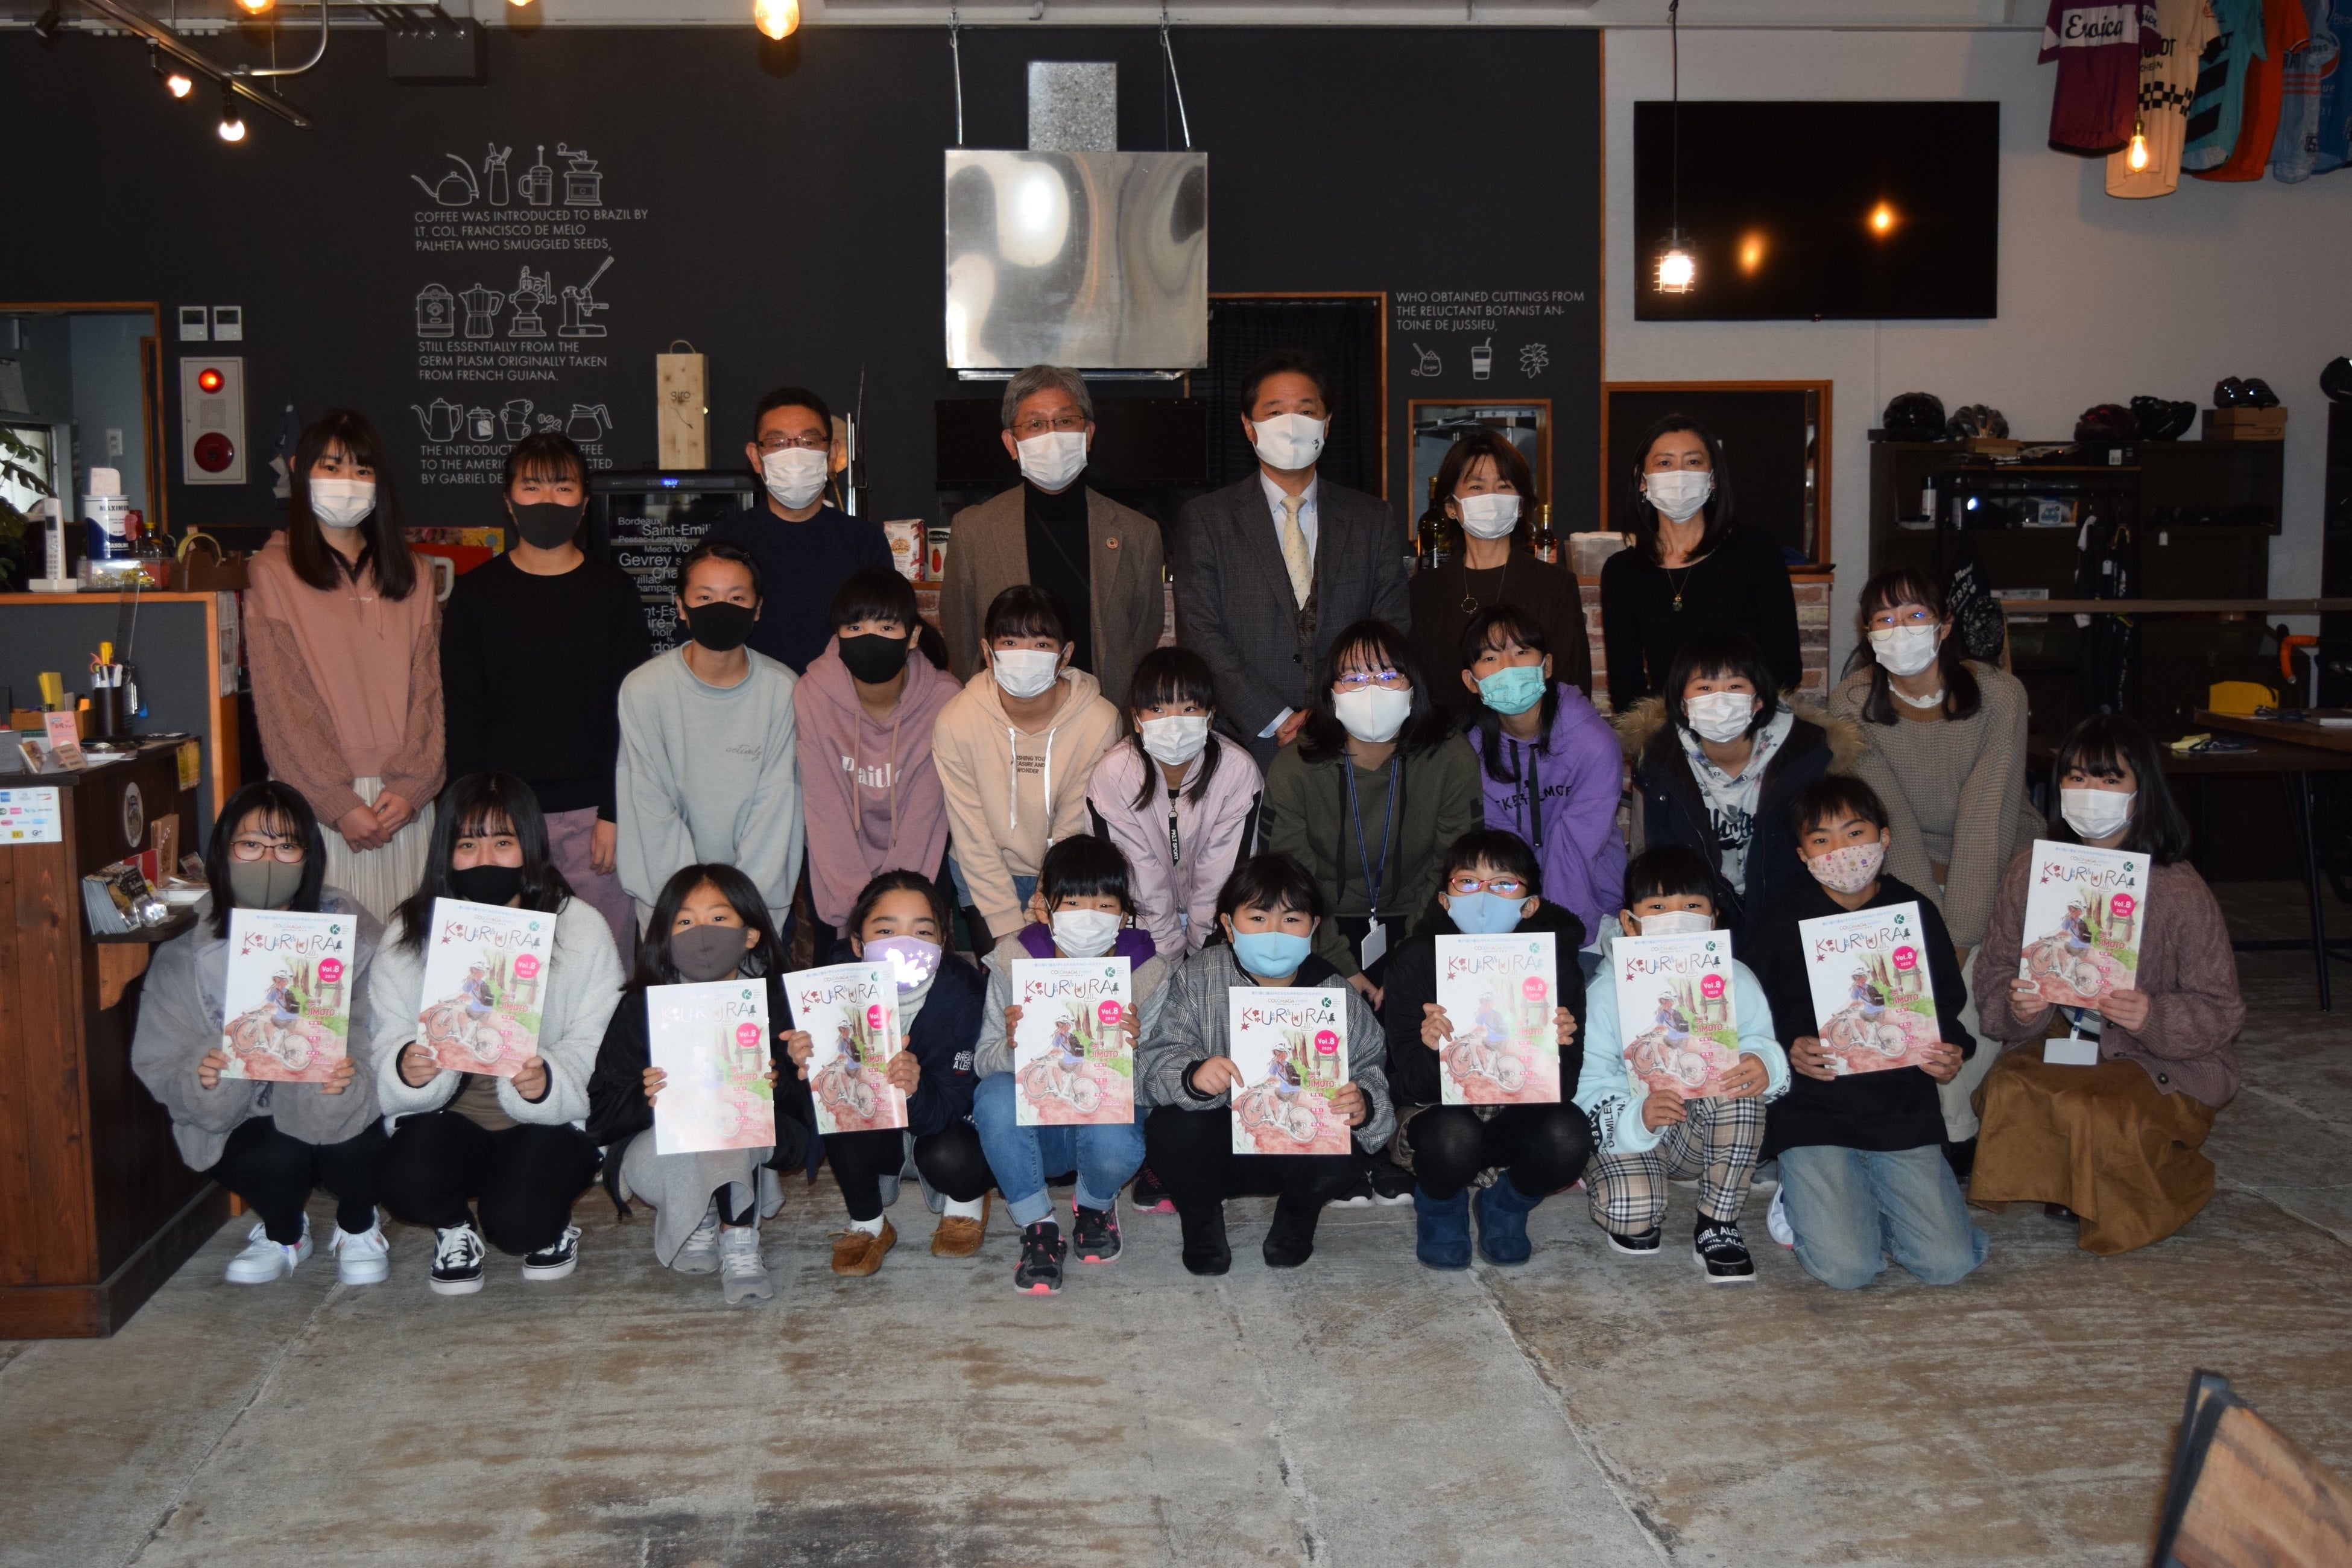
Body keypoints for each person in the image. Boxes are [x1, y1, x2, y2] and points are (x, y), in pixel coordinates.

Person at [1969, 715, 2243, 1255]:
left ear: (2143, 790)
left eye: (2109, 779)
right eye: (2076, 777)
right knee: (2011, 1087)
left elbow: (2222, 1008)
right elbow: (1996, 970)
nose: (2089, 791)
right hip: (2065, 1036)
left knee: (2100, 1110)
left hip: (2153, 1054)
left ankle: (2164, 1183)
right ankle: (2069, 1178)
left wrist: (2154, 1016)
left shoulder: (2180, 889)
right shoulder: (2031, 870)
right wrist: (2018, 1005)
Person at [129, 782, 391, 1286]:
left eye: (286, 846)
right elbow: (160, 1055)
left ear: (309, 856)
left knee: (357, 1139)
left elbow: (380, 1023)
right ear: (223, 851)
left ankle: (359, 1224)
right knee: (272, 1156)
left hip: (336, 1104)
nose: (269, 860)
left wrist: (351, 1071)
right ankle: (283, 1231)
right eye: (250, 844)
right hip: (247, 1115)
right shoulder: (186, 949)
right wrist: (204, 1075)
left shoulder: (351, 930)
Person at [370, 773, 623, 1294]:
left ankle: (549, 1221)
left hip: (547, 1123)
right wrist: (404, 1066)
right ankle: (453, 1227)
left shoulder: (580, 928)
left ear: (529, 847)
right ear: (446, 854)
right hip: (449, 1117)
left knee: (519, 1226)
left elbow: (597, 1040)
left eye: (503, 843)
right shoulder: (409, 931)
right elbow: (386, 1031)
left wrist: (548, 1080)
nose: (485, 858)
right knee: (400, 1181)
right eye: (467, 845)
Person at [1826, 566, 2043, 1157]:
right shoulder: (1851, 702)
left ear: (1945, 626)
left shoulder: (2000, 696)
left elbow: (1988, 818)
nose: (1901, 630)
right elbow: (1889, 822)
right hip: (1903, 867)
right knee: (1901, 972)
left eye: (1916, 615)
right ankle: (1937, 1128)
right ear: (1868, 634)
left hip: (1999, 862)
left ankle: (1950, 1130)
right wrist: (1926, 926)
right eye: (1885, 619)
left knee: (1973, 980)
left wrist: (1958, 937)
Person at [1745, 776, 1988, 1289]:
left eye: (1855, 833)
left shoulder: (1914, 912)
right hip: (1814, 1107)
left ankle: (1861, 1201)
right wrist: (1788, 1045)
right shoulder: (1779, 917)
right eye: (1821, 840)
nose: (1841, 851)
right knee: (1846, 1269)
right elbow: (1751, 1008)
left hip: (1900, 1106)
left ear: (1884, 837)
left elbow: (1946, 1003)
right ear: (1803, 854)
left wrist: (1952, 1049)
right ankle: (1802, 1194)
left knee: (1949, 1263)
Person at [440, 431, 650, 961]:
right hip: (502, 819)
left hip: (594, 819)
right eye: (532, 487)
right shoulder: (475, 595)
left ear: (583, 503)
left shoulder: (614, 591)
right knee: (501, 968)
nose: (548, 500)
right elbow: (464, 714)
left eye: (563, 486)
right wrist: (474, 825)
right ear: (509, 502)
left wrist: (615, 811)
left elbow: (631, 716)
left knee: (602, 962)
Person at [1140, 853, 1397, 1274]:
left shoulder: (1334, 992)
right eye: (1258, 918)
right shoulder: (1199, 975)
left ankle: (1297, 1216)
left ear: (1314, 927)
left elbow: (1371, 1065)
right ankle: (1202, 1221)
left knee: (1344, 1145)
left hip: (1298, 1144)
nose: (1275, 933)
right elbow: (1155, 1058)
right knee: (1172, 1130)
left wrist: (1363, 1103)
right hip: (1216, 1140)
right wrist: (1192, 1076)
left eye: (1292, 919)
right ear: (1228, 925)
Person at [242, 408, 444, 922]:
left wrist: (413, 787)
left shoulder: (416, 574)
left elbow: (428, 691)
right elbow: (282, 703)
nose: (347, 481)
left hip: (403, 805)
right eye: (330, 467)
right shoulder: (272, 571)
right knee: (326, 960)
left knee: (408, 949)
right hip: (319, 800)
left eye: (362, 469)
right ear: (299, 470)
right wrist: (336, 801)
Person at [1172, 349, 1412, 768]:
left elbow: (1391, 626)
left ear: (1327, 424)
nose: (1291, 424)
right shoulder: (1207, 519)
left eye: (1306, 411)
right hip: (1247, 742)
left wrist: (1337, 714)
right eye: (1275, 411)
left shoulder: (1371, 519)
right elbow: (1199, 631)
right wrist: (1276, 717)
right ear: (1249, 426)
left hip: (1353, 735)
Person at [584, 864, 801, 1306]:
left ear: (751, 934)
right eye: (684, 921)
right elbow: (600, 1115)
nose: (702, 933)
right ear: (664, 937)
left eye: (719, 918)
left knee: (728, 1116)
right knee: (709, 1119)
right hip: (660, 1152)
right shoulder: (641, 1006)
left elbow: (806, 1121)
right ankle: (700, 1210)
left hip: (749, 1142)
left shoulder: (774, 1000)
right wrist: (644, 1097)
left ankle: (738, 1236)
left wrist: (779, 1083)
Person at [1575, 846, 1788, 1282]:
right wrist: (1638, 1116)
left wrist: (1765, 1063)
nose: (1675, 918)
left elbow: (1759, 1040)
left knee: (1740, 1082)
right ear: (1629, 923)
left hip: (1700, 1133)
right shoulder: (1603, 992)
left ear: (1713, 919)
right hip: (1634, 1130)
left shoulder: (1734, 977)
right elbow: (1589, 1082)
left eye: (1692, 906)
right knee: (1631, 1213)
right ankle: (1602, 1174)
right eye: (1657, 908)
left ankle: (1718, 1223)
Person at [1381, 829, 1590, 1270]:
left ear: (1529, 905)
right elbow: (1407, 1086)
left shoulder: (1555, 967)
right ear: (1445, 899)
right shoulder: (1415, 960)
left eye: (1504, 884)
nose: (1483, 896)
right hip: (1437, 1114)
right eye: (1468, 882)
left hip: (1516, 1114)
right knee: (1453, 1136)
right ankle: (1440, 1206)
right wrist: (1432, 1047)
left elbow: (1566, 1086)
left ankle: (1507, 1204)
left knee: (1569, 1134)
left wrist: (1552, 1050)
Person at [971, 836, 1171, 1294]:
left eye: (1105, 904)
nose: (1089, 916)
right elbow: (984, 1060)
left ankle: (1095, 1206)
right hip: (1033, 1129)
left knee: (1120, 1136)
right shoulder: (1014, 959)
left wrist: (1135, 1048)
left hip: (1104, 1123)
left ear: (1124, 914)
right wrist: (1015, 1044)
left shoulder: (1148, 970)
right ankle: (1038, 1226)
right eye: (1074, 902)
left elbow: (1161, 1079)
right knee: (993, 1096)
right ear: (1044, 907)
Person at [779, 870, 994, 1276]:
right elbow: (805, 1104)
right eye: (886, 930)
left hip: (943, 1125)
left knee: (955, 1151)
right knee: (841, 1104)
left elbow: (958, 1101)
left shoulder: (965, 995)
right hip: (876, 1131)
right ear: (858, 943)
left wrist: (913, 1089)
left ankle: (964, 1205)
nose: (904, 944)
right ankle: (868, 1222)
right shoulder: (826, 989)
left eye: (923, 931)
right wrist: (800, 1064)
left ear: (943, 941)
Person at [1262, 618, 1482, 1005]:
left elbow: (1453, 869)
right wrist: (1339, 964)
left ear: (1413, 688)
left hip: (1424, 916)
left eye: (1388, 675)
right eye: (1354, 678)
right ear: (1330, 694)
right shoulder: (1295, 766)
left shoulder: (1451, 757)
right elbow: (1290, 878)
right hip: (1318, 922)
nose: (1372, 690)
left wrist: (1408, 958)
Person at [938, 364, 1168, 715]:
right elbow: (964, 640)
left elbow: (1141, 639)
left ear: (1088, 434)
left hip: (1103, 722)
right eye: (1035, 424)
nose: (1052, 435)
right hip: (1004, 722)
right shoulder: (974, 530)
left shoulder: (1138, 534)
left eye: (1065, 421)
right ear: (1011, 443)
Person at [1619, 628, 1859, 946]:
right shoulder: (1659, 760)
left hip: (1791, 912)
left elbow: (1818, 849)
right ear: (1683, 703)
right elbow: (1660, 858)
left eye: (1734, 687)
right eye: (1705, 688)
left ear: (1758, 700)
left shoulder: (1805, 754)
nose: (1719, 700)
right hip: (1700, 917)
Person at [616, 539, 803, 933]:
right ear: (681, 606)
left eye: (737, 597)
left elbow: (777, 809)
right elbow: (649, 805)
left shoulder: (783, 690)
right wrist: (691, 909)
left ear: (757, 608)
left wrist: (738, 910)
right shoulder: (644, 689)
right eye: (705, 597)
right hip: (668, 906)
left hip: (755, 910)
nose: (721, 608)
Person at [933, 585, 1121, 949]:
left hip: (1067, 876)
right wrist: (1007, 929)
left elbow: (1073, 825)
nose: (1025, 656)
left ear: (1065, 655)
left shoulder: (1099, 721)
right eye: (1010, 643)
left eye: (1041, 644)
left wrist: (1042, 903)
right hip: (984, 871)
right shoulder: (956, 721)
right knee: (1003, 975)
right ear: (988, 653)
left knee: (1055, 978)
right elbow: (972, 834)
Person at [795, 567, 961, 961]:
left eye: (886, 627)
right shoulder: (812, 694)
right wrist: (855, 908)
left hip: (919, 872)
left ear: (913, 636)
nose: (869, 639)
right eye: (854, 628)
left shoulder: (945, 701)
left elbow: (926, 815)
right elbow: (824, 809)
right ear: (837, 636)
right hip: (835, 875)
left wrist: (892, 908)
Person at [1599, 414, 1802, 712]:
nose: (1679, 474)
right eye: (1664, 463)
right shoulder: (1622, 572)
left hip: (1751, 718)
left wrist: (1742, 714)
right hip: (1669, 725)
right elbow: (1625, 685)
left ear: (1713, 478)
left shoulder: (1755, 550)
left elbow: (1785, 663)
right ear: (1642, 481)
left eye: (1693, 462)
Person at [1459, 604, 1625, 947]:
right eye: (1490, 658)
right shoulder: (1470, 754)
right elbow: (1500, 848)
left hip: (1594, 909)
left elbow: (1577, 845)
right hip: (1513, 914)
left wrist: (1557, 937)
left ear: (1547, 665)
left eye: (1521, 652)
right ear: (1471, 681)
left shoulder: (1593, 743)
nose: (1507, 667)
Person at [701, 385, 896, 675]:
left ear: (832, 454)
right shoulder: (722, 543)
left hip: (841, 697)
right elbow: (700, 641)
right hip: (749, 695)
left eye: (809, 441)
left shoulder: (864, 542)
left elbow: (887, 638)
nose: (794, 455)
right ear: (756, 457)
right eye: (778, 443)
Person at [1085, 645, 1264, 957]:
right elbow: (1137, 878)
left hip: (1215, 927)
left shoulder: (1236, 771)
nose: (1174, 723)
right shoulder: (1114, 775)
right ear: (1136, 719)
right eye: (1157, 709)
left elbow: (1222, 876)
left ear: (1210, 717)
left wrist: (1204, 955)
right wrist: (1162, 958)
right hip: (1142, 929)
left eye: (1189, 708)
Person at [1407, 428, 1592, 721]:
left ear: (1521, 505)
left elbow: (1573, 688)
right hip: (1446, 744)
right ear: (1451, 507)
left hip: (1535, 743)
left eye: (1504, 486)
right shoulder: (1424, 591)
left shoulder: (1555, 586)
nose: (1491, 498)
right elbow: (1417, 691)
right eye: (1477, 487)